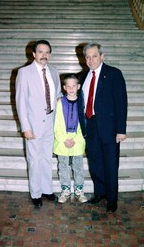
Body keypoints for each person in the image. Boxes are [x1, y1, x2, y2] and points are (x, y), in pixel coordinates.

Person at [77, 42, 127, 212]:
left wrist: (121, 130)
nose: (91, 60)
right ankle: (100, 193)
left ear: (102, 56)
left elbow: (121, 103)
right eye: (88, 57)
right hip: (90, 126)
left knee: (111, 164)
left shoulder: (113, 74)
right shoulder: (82, 77)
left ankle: (112, 200)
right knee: (95, 162)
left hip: (110, 129)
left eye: (94, 56)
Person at [16, 39, 61, 207]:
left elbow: (57, 96)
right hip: (34, 124)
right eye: (41, 52)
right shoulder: (24, 72)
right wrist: (25, 127)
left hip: (51, 121)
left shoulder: (54, 71)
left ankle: (47, 190)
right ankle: (36, 193)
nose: (44, 55)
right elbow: (21, 101)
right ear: (34, 54)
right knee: (34, 159)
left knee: (46, 158)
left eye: (47, 52)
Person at [53, 74, 87, 203]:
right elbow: (57, 122)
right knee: (63, 166)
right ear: (64, 88)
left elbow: (84, 122)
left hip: (77, 140)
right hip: (62, 139)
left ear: (78, 86)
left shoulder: (82, 102)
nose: (71, 89)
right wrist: (63, 139)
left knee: (78, 166)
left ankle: (79, 190)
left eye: (74, 86)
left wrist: (77, 139)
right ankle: (65, 190)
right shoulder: (60, 102)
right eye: (68, 86)